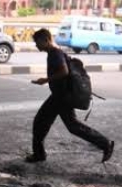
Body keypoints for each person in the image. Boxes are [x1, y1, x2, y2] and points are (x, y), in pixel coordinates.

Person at [27, 28, 114, 163]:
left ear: (46, 40)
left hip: (61, 97)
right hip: (60, 96)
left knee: (43, 122)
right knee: (64, 125)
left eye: (37, 42)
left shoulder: (55, 53)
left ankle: (105, 144)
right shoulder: (54, 52)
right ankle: (105, 143)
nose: (36, 45)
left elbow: (64, 71)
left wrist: (46, 80)